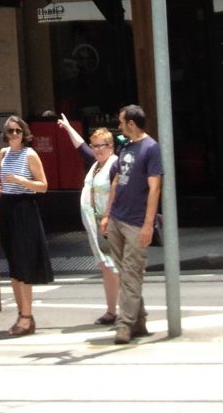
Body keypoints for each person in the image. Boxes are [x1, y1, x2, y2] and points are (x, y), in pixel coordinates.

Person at [100, 103, 163, 345]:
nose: (119, 125)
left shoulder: (151, 148)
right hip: (117, 218)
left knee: (132, 273)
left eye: (121, 121)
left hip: (136, 222)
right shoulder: (125, 146)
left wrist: (148, 225)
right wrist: (107, 214)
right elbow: (116, 181)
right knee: (127, 274)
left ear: (132, 124)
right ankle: (139, 320)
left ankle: (124, 324)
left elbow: (155, 187)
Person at [0, 115, 52, 335]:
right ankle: (23, 315)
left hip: (25, 208)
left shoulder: (30, 154)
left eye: (18, 131)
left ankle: (26, 317)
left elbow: (43, 186)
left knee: (24, 265)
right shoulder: (3, 153)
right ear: (5, 134)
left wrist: (20, 181)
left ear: (24, 134)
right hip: (7, 206)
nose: (14, 134)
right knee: (14, 265)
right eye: (10, 131)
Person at [57, 114, 120, 324]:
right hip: (97, 225)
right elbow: (81, 147)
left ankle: (129, 309)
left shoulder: (114, 165)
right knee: (106, 268)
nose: (97, 149)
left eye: (101, 145)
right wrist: (68, 128)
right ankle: (112, 310)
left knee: (116, 267)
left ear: (111, 146)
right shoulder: (96, 164)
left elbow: (117, 192)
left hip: (112, 224)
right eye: (95, 146)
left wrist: (109, 217)